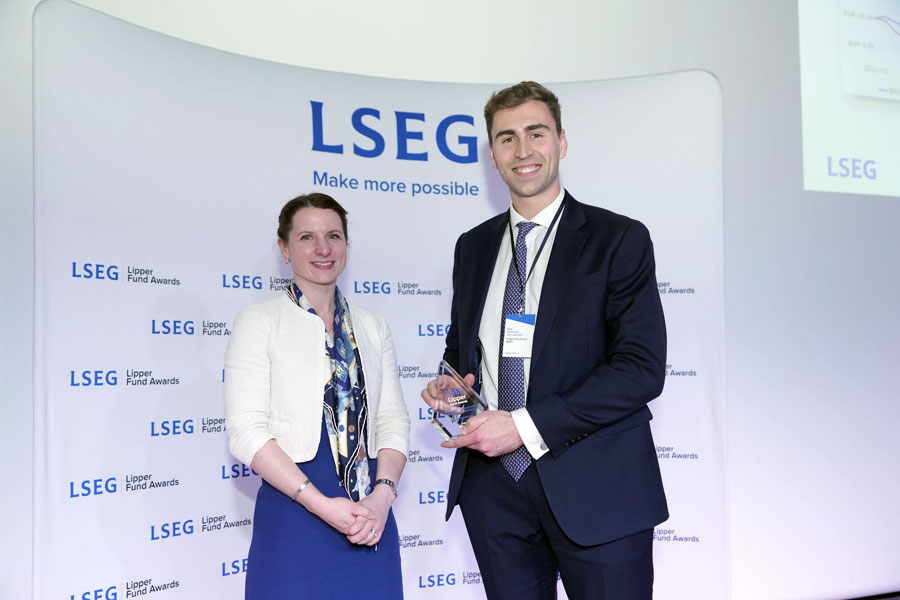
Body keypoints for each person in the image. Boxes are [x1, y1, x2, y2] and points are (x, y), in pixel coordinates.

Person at [421, 82, 668, 600]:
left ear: (561, 141)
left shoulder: (617, 239)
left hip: (598, 484)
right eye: (506, 138)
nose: (523, 150)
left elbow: (639, 369)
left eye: (536, 133)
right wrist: (453, 387)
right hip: (494, 489)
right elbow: (462, 348)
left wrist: (522, 426)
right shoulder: (472, 247)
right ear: (492, 156)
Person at [226, 193, 409, 598]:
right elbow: (246, 432)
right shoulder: (259, 322)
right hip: (295, 516)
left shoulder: (373, 326)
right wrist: (322, 505)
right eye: (307, 237)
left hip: (371, 519)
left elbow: (392, 419)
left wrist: (382, 496)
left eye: (333, 236)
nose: (323, 249)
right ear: (284, 248)